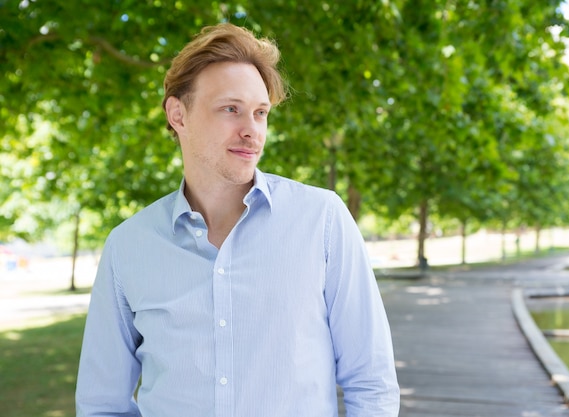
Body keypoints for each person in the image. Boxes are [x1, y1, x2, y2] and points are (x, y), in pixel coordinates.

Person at [75, 23, 400, 417]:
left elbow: (372, 383)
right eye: (231, 109)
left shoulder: (324, 221)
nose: (252, 131)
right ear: (178, 114)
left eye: (260, 113)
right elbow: (101, 404)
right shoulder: (128, 247)